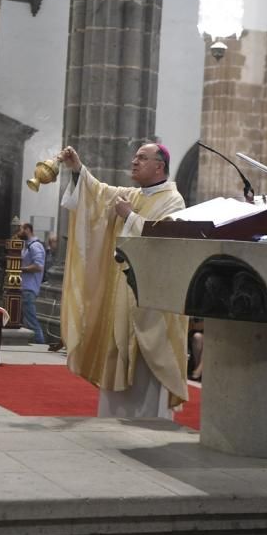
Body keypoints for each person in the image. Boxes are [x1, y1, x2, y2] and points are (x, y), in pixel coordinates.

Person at [59, 143, 188, 419]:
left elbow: (165, 242)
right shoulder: (131, 194)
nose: (134, 161)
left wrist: (129, 216)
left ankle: (149, 418)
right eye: (135, 156)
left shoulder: (173, 201)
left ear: (159, 166)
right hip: (121, 295)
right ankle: (114, 414)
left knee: (145, 360)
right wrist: (77, 168)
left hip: (150, 302)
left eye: (142, 158)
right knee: (116, 348)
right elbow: (98, 193)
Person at [17, 222, 46, 344]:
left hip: (29, 288)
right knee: (26, 319)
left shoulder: (35, 246)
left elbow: (38, 266)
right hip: (24, 286)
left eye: (21, 230)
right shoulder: (27, 246)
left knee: (31, 319)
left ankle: (40, 342)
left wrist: (20, 269)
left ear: (28, 230)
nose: (19, 233)